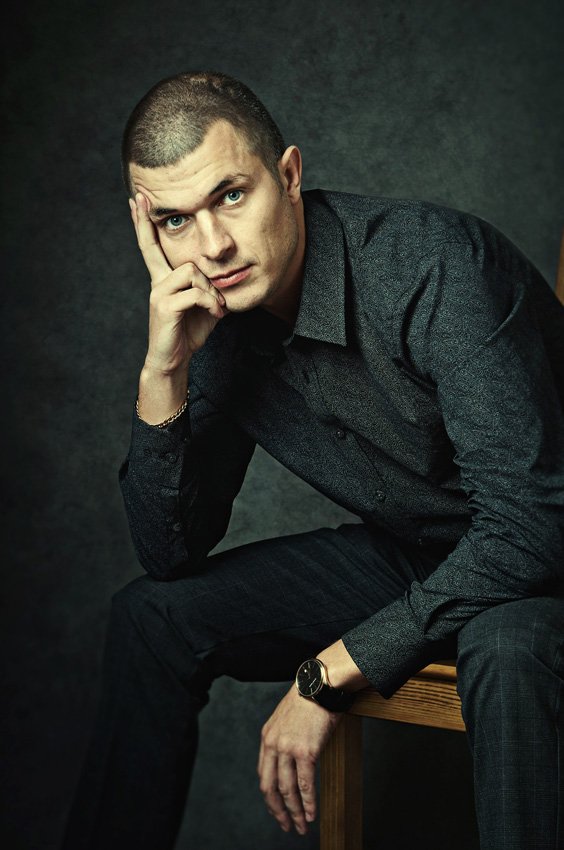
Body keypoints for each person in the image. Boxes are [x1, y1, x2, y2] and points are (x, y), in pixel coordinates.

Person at [62, 71, 564, 850]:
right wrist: (164, 374)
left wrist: (328, 672)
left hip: (541, 562)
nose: (212, 247)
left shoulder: (434, 265)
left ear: (288, 175)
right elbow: (170, 556)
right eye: (175, 220)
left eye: (232, 195)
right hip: (423, 556)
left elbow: (531, 530)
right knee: (150, 618)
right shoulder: (214, 321)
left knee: (509, 646)